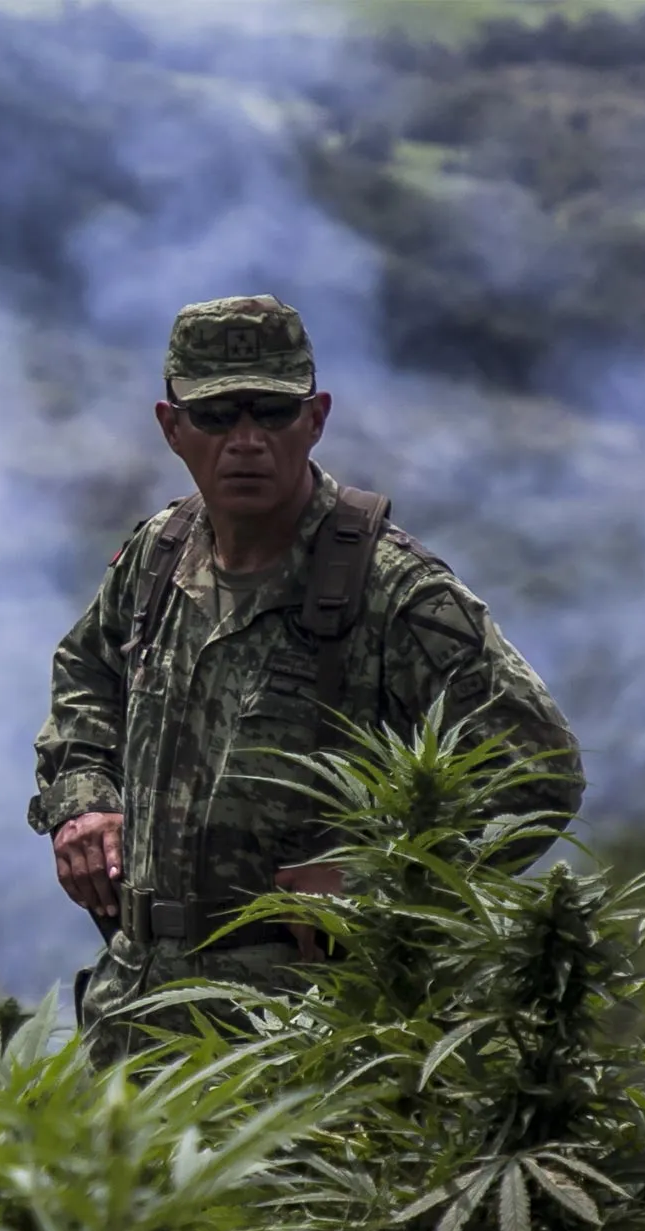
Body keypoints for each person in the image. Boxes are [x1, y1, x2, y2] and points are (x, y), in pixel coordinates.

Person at [29, 295, 583, 1058]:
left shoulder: (391, 588)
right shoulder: (160, 555)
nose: (247, 441)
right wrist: (84, 805)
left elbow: (540, 769)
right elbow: (87, 675)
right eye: (219, 415)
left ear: (316, 418)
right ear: (173, 428)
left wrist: (383, 883)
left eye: (274, 413)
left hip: (308, 1031)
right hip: (137, 1011)